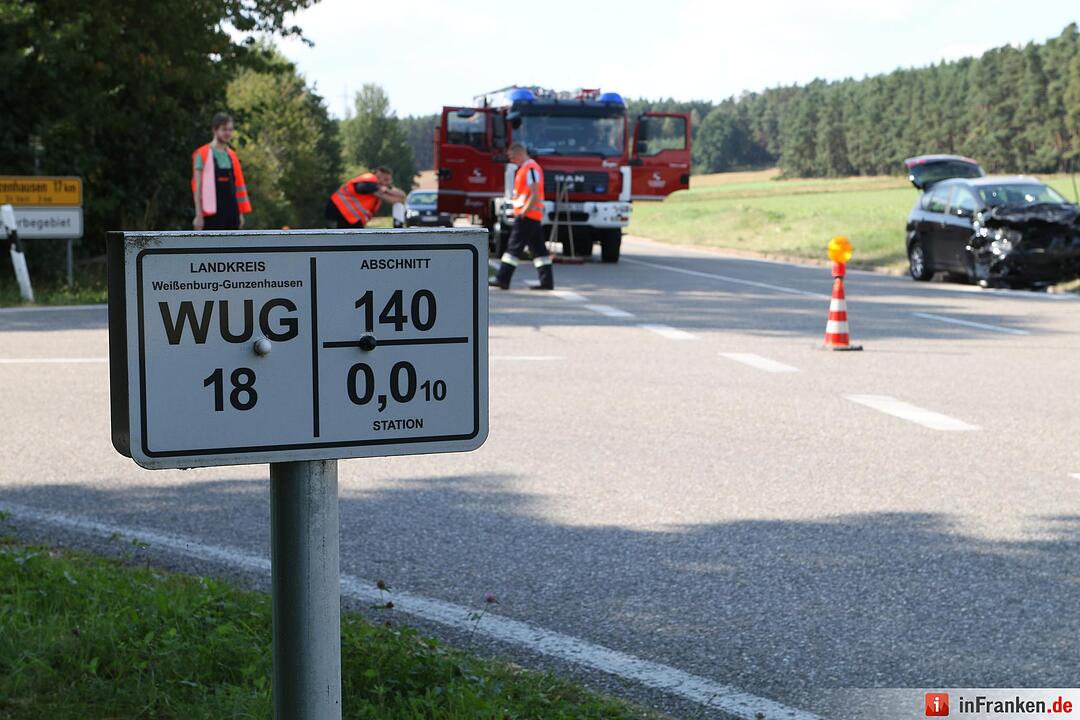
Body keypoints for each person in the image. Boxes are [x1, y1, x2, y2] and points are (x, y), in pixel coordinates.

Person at [489, 143, 553, 290]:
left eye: (512, 157)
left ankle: (502, 279)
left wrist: (524, 210)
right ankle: (547, 281)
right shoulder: (527, 168)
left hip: (527, 215)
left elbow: (535, 192)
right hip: (531, 215)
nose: (512, 160)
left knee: (513, 247)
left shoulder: (530, 169)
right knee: (539, 251)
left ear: (519, 154)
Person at [192, 113, 251, 230]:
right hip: (211, 214)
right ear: (215, 130)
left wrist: (240, 214)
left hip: (231, 214)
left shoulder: (232, 155)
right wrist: (199, 215)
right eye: (224, 129)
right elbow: (197, 187)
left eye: (230, 130)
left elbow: (237, 185)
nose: (228, 133)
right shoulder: (202, 154)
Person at [326, 167, 406, 228]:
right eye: (386, 179)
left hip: (349, 217)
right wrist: (388, 190)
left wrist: (388, 188)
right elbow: (391, 199)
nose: (387, 182)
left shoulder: (374, 184)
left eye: (389, 180)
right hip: (338, 212)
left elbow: (402, 195)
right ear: (378, 174)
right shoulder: (369, 183)